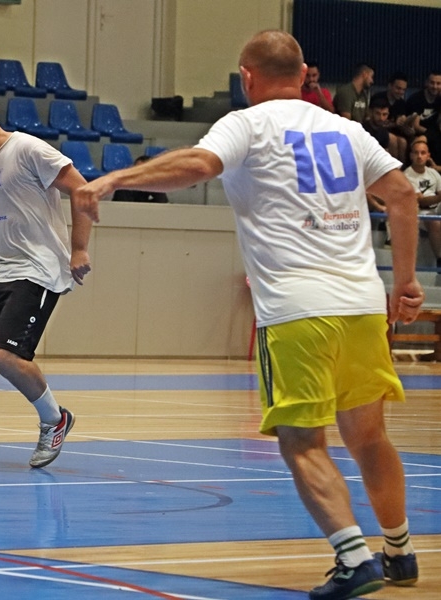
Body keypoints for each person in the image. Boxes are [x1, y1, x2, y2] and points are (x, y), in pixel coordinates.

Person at [74, 30, 422, 600]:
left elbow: (197, 164)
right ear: (304, 74)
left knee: (302, 441)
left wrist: (117, 177)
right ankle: (399, 551)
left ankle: (353, 557)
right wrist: (405, 281)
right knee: (369, 437)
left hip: (298, 312)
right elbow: (403, 195)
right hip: (362, 306)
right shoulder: (347, 128)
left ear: (246, 77)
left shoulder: (249, 123)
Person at [0, 97, 93, 469]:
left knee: (4, 355)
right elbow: (4, 220)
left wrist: (79, 248)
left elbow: (82, 190)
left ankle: (55, 419)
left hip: (35, 270)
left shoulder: (27, 149)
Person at [402, 139, 441, 270]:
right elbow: (421, 201)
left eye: (423, 153)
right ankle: (440, 259)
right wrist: (439, 198)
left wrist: (438, 198)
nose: (419, 156)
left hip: (436, 207)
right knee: (434, 221)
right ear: (411, 155)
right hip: (419, 213)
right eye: (416, 153)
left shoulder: (433, 173)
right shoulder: (406, 176)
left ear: (428, 155)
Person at [361, 96, 407, 161]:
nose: (381, 118)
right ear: (370, 112)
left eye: (384, 114)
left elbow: (386, 153)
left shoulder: (383, 131)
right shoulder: (362, 130)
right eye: (377, 114)